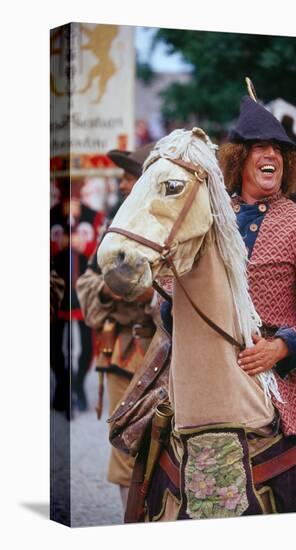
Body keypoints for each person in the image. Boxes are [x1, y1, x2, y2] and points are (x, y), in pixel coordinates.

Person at [218, 94, 296, 510]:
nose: (271, 153)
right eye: (260, 146)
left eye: (278, 149)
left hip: (281, 366)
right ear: (240, 157)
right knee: (147, 429)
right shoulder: (213, 217)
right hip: (209, 355)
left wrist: (280, 347)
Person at [76, 142, 159, 520]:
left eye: (129, 177)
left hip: (167, 350)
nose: (123, 186)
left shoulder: (166, 227)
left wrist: (150, 293)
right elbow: (88, 285)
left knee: (169, 444)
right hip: (123, 352)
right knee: (126, 446)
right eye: (124, 178)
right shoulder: (114, 227)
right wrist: (113, 290)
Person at [51, 178, 104, 414]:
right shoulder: (50, 216)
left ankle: (79, 385)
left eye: (74, 185)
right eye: (66, 185)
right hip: (55, 290)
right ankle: (62, 385)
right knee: (53, 345)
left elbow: (104, 253)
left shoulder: (95, 217)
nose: (70, 190)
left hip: (84, 290)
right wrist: (57, 245)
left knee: (86, 344)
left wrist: (86, 247)